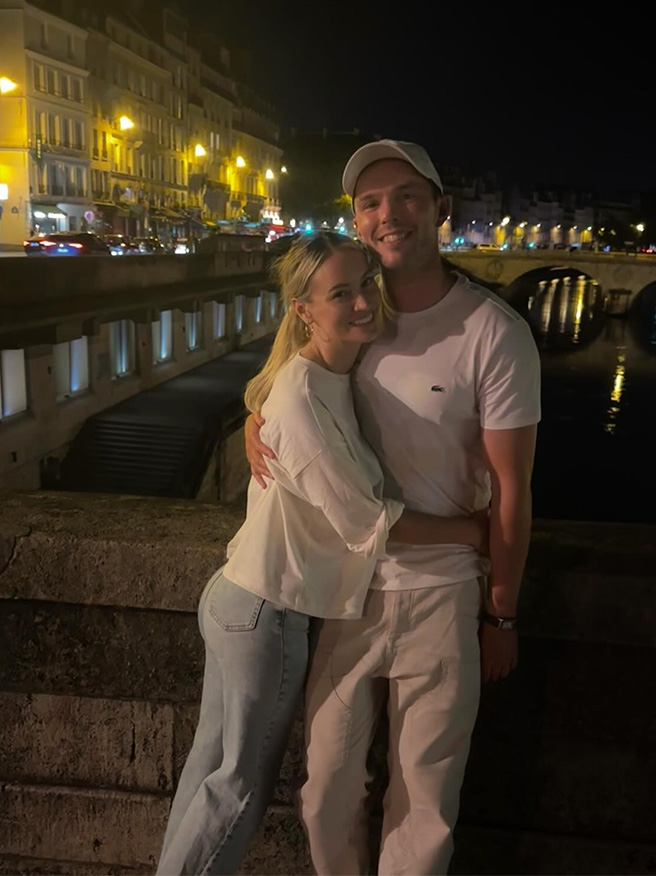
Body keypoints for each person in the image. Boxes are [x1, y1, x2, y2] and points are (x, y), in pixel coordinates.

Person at [245, 141, 541, 875]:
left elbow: (514, 489)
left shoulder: (493, 333)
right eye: (371, 202)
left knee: (425, 804)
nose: (389, 214)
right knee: (327, 791)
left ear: (441, 209)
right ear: (357, 219)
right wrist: (256, 420)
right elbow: (296, 385)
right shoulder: (355, 318)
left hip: (443, 591)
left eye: (407, 196)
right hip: (349, 591)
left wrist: (501, 611)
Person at [156, 231, 488, 876]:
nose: (364, 301)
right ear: (304, 309)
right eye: (342, 293)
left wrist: (259, 420)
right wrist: (477, 533)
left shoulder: (327, 374)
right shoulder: (305, 394)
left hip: (242, 599)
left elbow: (289, 421)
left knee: (208, 777)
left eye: (367, 282)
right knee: (238, 789)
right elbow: (370, 521)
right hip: (265, 612)